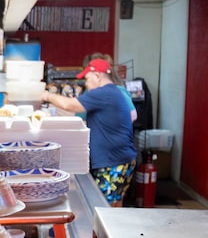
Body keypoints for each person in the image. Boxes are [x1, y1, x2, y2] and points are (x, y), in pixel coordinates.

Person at [42, 58, 137, 206]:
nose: (85, 83)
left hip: (113, 162)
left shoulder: (104, 93)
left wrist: (46, 95)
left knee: (101, 211)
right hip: (121, 159)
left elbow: (69, 105)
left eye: (87, 79)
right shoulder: (113, 92)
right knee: (114, 206)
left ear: (97, 76)